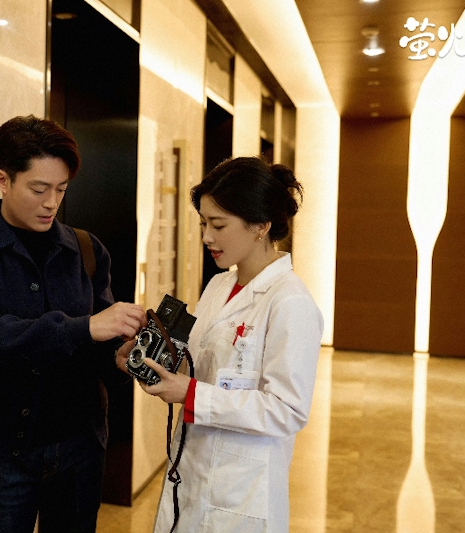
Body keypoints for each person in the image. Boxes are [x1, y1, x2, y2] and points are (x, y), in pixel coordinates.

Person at [0, 115, 147, 533]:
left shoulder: (87, 249)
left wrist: (121, 357)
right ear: (3, 179)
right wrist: (85, 327)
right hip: (6, 453)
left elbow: (101, 345)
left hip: (81, 447)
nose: (52, 202)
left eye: (61, 189)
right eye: (39, 189)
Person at [117, 156, 323, 533]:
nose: (206, 237)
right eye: (203, 224)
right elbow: (199, 366)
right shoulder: (219, 285)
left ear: (260, 225)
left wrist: (191, 395)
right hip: (192, 467)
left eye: (218, 225)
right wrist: (154, 361)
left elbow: (287, 410)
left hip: (242, 490)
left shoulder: (290, 303)